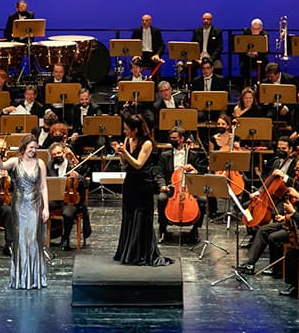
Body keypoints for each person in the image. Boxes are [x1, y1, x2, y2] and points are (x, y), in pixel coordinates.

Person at [239, 157, 299, 275]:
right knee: (263, 230)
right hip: (291, 221)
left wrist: (298, 199)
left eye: (298, 169)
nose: (295, 171)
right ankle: (250, 264)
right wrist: (285, 217)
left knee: (273, 237)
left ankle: (277, 270)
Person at [111, 114, 173, 266]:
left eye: (127, 129)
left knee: (141, 217)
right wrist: (121, 154)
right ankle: (127, 252)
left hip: (143, 184)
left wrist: (124, 152)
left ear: (136, 130)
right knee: (129, 215)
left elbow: (138, 164)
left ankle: (140, 254)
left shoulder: (147, 143)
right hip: (130, 182)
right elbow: (126, 164)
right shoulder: (127, 140)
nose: (125, 132)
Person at [0, 133, 49, 289]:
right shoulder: (15, 161)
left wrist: (46, 207)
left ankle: (34, 278)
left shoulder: (40, 163)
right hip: (19, 206)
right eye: (31, 147)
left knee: (33, 239)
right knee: (20, 239)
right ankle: (20, 278)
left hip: (35, 204)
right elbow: (1, 166)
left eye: (35, 147)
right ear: (24, 147)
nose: (33, 150)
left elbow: (43, 186)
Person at [155, 127, 208, 244]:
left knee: (203, 200)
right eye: (171, 138)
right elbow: (159, 173)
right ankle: (163, 228)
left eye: (174, 138)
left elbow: (201, 172)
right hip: (172, 186)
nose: (171, 140)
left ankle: (195, 229)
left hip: (190, 186)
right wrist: (163, 185)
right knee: (161, 198)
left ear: (182, 139)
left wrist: (194, 170)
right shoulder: (165, 155)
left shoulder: (193, 155)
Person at [47, 142, 92, 251]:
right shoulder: (49, 165)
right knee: (39, 207)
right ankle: (42, 237)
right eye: (54, 154)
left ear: (63, 152)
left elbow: (86, 184)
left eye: (59, 153)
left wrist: (78, 177)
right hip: (56, 199)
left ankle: (65, 238)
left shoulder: (74, 165)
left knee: (68, 213)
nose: (57, 155)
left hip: (71, 199)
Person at [68, 87, 102, 154]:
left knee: (100, 144)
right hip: (81, 136)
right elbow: (75, 124)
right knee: (72, 144)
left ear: (90, 97)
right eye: (82, 100)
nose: (84, 102)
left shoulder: (96, 108)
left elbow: (98, 124)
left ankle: (95, 164)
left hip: (93, 136)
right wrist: (75, 133)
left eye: (86, 99)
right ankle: (78, 162)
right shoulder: (76, 108)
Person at [239, 18, 268, 86]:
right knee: (244, 65)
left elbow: (266, 50)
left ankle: (261, 86)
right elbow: (240, 47)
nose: (254, 31)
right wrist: (248, 52)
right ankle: (246, 86)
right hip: (247, 57)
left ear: (261, 28)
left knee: (264, 65)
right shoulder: (245, 33)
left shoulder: (264, 35)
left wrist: (257, 53)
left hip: (260, 57)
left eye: (257, 29)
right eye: (253, 28)